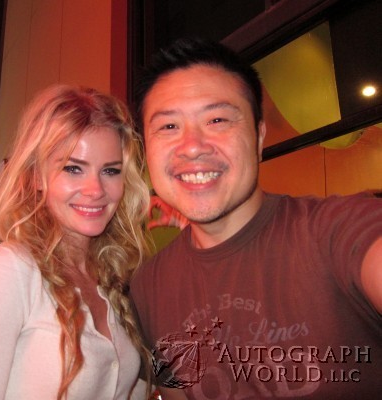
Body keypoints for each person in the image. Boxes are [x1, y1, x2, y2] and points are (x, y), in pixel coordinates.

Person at [130, 38, 382, 399]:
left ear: (258, 137)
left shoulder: (337, 230)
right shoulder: (148, 286)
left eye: (217, 119)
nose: (192, 146)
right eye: (168, 126)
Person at [0, 84, 152, 399]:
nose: (96, 190)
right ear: (37, 176)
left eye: (110, 171)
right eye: (73, 168)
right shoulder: (12, 270)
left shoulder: (111, 275)